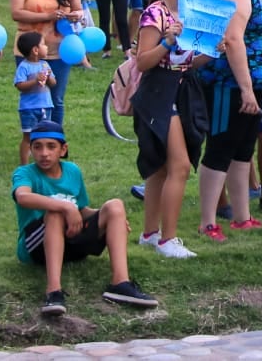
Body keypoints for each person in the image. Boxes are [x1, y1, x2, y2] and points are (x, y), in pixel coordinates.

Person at [12, 120, 158, 317]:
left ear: (63, 149)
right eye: (37, 147)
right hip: (36, 248)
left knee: (115, 206)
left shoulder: (72, 170)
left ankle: (120, 283)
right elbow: (22, 197)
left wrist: (112, 220)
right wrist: (65, 207)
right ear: (30, 150)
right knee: (55, 214)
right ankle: (53, 292)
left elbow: (81, 210)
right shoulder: (24, 172)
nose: (44, 153)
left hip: (72, 241)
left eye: (51, 146)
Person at [195, 0, 262, 242]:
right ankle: (207, 221)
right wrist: (245, 90)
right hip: (229, 83)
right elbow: (232, 38)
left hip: (246, 82)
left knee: (243, 149)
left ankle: (242, 216)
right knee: (220, 148)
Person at [131, 0, 209, 259]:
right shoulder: (155, 13)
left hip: (183, 87)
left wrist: (212, 54)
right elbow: (144, 61)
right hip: (159, 91)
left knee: (161, 168)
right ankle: (168, 239)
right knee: (179, 166)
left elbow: (188, 61)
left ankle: (149, 234)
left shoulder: (194, 14)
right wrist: (168, 40)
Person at [9, 0, 86, 126]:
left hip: (60, 50)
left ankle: (55, 138)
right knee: (33, 96)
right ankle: (33, 136)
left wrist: (76, 15)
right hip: (29, 50)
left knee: (56, 98)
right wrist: (47, 16)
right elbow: (16, 13)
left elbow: (79, 11)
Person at [13, 31, 56, 164]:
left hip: (46, 105)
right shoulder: (24, 67)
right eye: (44, 44)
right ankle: (24, 165)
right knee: (28, 136)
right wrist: (35, 81)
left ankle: (43, 160)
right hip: (28, 108)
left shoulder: (45, 65)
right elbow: (19, 85)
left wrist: (48, 78)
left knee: (44, 135)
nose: (47, 47)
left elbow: (53, 83)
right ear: (35, 50)